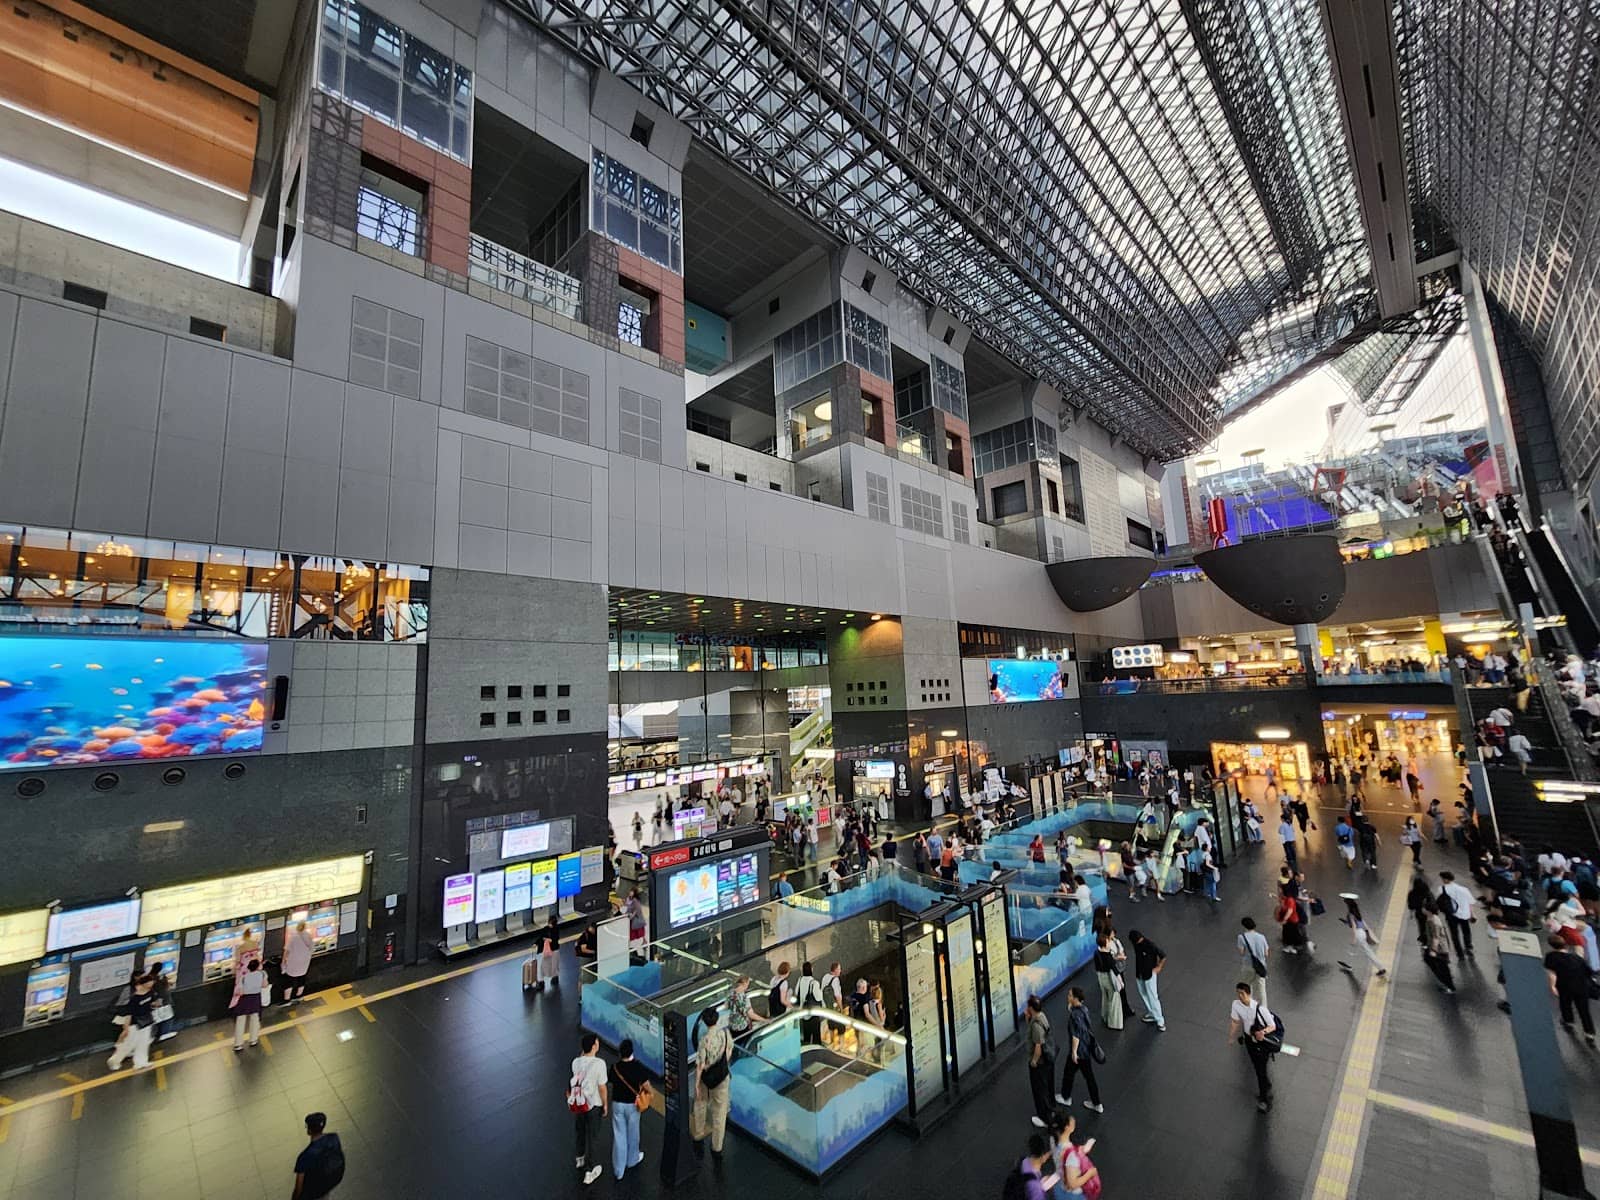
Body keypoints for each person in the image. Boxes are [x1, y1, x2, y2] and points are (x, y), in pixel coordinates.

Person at [1227, 982, 1280, 1113]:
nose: (1240, 996)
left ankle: (1264, 1100)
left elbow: (1272, 1025)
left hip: (1261, 1043)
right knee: (1257, 1066)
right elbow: (1235, 1021)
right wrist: (1231, 1037)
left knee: (1260, 1071)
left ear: (1249, 993)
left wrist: (1263, 1032)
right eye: (1238, 993)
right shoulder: (1236, 1005)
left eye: (1242, 994)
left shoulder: (1260, 1009)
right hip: (1249, 1040)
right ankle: (1266, 1085)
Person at [1054, 986, 1104, 1113]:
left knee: (1070, 1073)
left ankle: (1066, 1097)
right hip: (1087, 1047)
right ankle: (1096, 1103)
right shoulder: (1084, 1010)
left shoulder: (1074, 1016)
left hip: (1079, 1052)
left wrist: (1074, 1052)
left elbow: (1075, 1035)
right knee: (1086, 1076)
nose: (1068, 997)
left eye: (1070, 995)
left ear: (1075, 998)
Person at [692, 1006, 733, 1158]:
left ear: (704, 1021)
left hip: (706, 1079)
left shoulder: (704, 1040)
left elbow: (700, 1065)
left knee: (700, 1104)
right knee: (719, 1112)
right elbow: (729, 1051)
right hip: (721, 1078)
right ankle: (717, 1146)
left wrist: (696, 1084)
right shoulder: (725, 1034)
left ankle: (699, 1132)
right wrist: (721, 1065)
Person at [570, 1032, 609, 1185]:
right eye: (597, 1043)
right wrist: (605, 1104)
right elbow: (602, 1088)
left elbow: (581, 1060)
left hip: (579, 1104)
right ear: (594, 1046)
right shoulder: (600, 1064)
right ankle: (590, 1170)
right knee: (592, 1137)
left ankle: (579, 1158)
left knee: (580, 1131)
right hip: (593, 1106)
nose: (598, 1044)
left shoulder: (575, 1062)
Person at [608, 1037, 650, 1179]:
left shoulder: (614, 1068)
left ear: (620, 1053)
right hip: (633, 1105)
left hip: (617, 1104)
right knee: (633, 1133)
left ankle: (619, 1170)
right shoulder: (638, 1067)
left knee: (619, 1135)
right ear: (632, 1051)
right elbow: (647, 1086)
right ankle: (632, 1160)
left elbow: (611, 1081)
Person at [1545, 937, 1597, 1045]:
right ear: (1565, 945)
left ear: (1551, 946)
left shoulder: (1551, 957)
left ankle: (1569, 1022)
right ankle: (1589, 1033)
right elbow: (1589, 973)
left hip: (1564, 986)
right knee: (1584, 1010)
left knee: (1565, 1004)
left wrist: (1553, 986)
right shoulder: (1577, 958)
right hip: (1581, 987)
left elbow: (1552, 973)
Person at [106, 972, 157, 1071]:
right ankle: (115, 1060)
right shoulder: (134, 999)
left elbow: (153, 1003)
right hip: (135, 1023)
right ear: (143, 984)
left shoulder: (150, 993)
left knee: (144, 1042)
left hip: (146, 1021)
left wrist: (155, 1005)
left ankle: (141, 1063)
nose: (151, 985)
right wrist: (126, 1028)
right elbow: (129, 1014)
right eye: (149, 983)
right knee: (129, 1044)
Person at [1024, 994, 1057, 1128]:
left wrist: (1034, 1061)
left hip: (1040, 1063)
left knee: (1039, 1089)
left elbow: (1038, 1046)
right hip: (1048, 1062)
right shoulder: (1041, 1017)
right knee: (1048, 1086)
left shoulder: (1036, 1026)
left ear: (1031, 1008)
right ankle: (1051, 1109)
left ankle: (1044, 1117)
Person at [1336, 894, 1387, 979]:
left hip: (1359, 934)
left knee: (1368, 952)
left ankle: (1381, 968)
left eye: (1344, 901)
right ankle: (1349, 965)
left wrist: (1354, 939)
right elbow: (1362, 924)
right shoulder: (1357, 913)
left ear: (1347, 904)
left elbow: (1354, 927)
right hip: (1362, 932)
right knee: (1357, 951)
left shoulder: (1350, 914)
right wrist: (1346, 922)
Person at [1003, 1132, 1058, 1200]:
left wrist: (1051, 1152)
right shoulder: (1036, 1188)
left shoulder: (1023, 1161)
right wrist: (1043, 1186)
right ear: (1042, 1153)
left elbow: (1041, 1159)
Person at [1130, 930, 1166, 1032]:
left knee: (1153, 996)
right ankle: (1152, 1013)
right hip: (1140, 974)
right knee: (1143, 993)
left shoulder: (1150, 945)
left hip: (1150, 975)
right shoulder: (1136, 945)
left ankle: (1160, 1021)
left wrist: (1159, 967)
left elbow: (1163, 956)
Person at [1439, 870, 1477, 960]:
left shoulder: (1442, 889)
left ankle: (1459, 953)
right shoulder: (1464, 889)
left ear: (1445, 879)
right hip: (1464, 914)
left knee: (1454, 934)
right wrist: (1473, 914)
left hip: (1451, 915)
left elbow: (1440, 902)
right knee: (1466, 932)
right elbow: (1470, 903)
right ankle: (1468, 947)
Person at [231, 957, 267, 1050]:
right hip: (256, 998)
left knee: (240, 1020)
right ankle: (253, 1040)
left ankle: (238, 1044)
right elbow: (264, 985)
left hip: (245, 999)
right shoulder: (262, 974)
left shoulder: (244, 977)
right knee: (255, 1019)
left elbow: (240, 992)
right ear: (258, 966)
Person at [1093, 929, 1126, 1030]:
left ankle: (1105, 1015)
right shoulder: (1108, 956)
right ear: (1105, 943)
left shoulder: (1096, 953)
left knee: (1105, 996)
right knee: (1114, 999)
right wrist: (1121, 982)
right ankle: (1114, 1023)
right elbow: (1115, 970)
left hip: (1100, 977)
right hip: (1108, 978)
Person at [1421, 899, 1456, 993]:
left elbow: (1436, 937)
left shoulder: (1433, 921)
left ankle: (1450, 987)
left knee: (1442, 969)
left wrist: (1433, 950)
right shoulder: (1432, 918)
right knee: (1430, 961)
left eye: (1423, 908)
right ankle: (1446, 981)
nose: (1422, 909)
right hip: (1438, 947)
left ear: (1428, 910)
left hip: (1440, 949)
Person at [281, 920, 316, 1005]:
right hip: (304, 961)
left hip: (293, 961)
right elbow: (312, 948)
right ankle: (299, 996)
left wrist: (283, 961)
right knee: (302, 978)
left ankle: (287, 1000)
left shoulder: (293, 936)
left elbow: (287, 951)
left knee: (289, 980)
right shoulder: (308, 935)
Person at [1238, 917, 1271, 1006]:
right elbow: (1266, 953)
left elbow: (1241, 952)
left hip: (1248, 966)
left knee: (1247, 985)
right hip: (1260, 967)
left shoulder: (1241, 937)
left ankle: (1249, 1004)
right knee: (1261, 989)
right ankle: (1264, 1008)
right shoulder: (1261, 937)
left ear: (1244, 926)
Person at [795, 961, 826, 1044]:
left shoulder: (800, 980)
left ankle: (807, 1048)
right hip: (813, 1013)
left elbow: (796, 992)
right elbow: (819, 997)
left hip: (803, 1012)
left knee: (806, 1036)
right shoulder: (814, 983)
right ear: (811, 970)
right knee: (816, 1036)